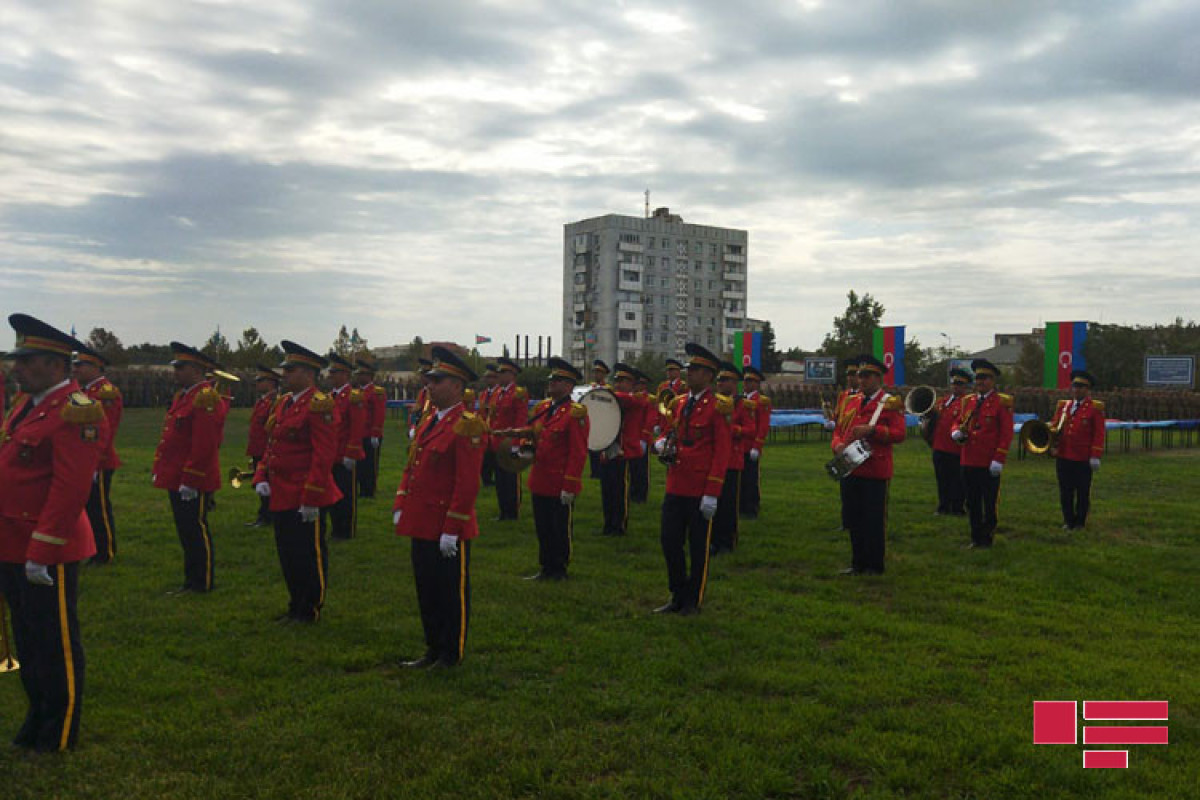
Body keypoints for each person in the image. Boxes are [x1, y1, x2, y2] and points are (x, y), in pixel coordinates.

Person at [0, 313, 106, 752]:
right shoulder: (28, 403)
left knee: (55, 641)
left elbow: (70, 488)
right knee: (27, 637)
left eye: (28, 360)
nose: (17, 367)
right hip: (11, 542)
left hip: (47, 548)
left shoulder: (76, 410)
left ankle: (59, 731)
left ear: (57, 364)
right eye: (17, 358)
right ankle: (37, 715)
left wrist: (43, 549)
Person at [393, 347, 486, 668]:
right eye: (430, 380)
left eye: (438, 380)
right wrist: (401, 501)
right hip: (421, 519)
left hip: (447, 523)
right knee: (427, 588)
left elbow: (467, 483)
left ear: (458, 386)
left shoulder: (468, 425)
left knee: (450, 591)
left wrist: (453, 527)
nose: (429, 385)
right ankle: (432, 647)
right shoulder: (430, 419)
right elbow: (412, 464)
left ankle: (450, 652)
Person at [253, 342, 341, 623]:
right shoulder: (284, 403)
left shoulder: (319, 404)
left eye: (290, 370)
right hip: (282, 490)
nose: (285, 375)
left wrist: (312, 497)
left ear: (308, 373)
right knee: (288, 552)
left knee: (308, 553)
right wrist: (262, 474)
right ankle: (295, 602)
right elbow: (272, 442)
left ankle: (309, 606)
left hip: (304, 491)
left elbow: (323, 454)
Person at [652, 343, 731, 615]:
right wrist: (662, 443)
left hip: (700, 487)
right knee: (669, 541)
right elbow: (671, 432)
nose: (690, 374)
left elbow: (722, 452)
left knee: (698, 547)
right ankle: (676, 593)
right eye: (690, 369)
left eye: (696, 370)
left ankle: (692, 599)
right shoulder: (680, 403)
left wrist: (713, 491)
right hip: (676, 483)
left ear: (709, 376)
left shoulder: (718, 407)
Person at [152, 342, 225, 593]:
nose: (176, 372)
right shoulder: (186, 396)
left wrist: (191, 478)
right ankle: (191, 579)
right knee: (186, 531)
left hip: (193, 478)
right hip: (178, 476)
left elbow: (204, 444)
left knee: (195, 530)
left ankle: (200, 582)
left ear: (196, 369)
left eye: (181, 367)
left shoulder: (205, 397)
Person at [831, 355, 906, 575]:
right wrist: (837, 445)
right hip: (850, 465)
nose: (860, 380)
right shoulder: (851, 401)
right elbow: (839, 429)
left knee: (873, 519)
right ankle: (857, 562)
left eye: (866, 376)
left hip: (875, 468)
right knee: (854, 517)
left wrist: (874, 431)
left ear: (877, 378)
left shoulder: (890, 403)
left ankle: (874, 564)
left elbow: (900, 434)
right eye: (859, 376)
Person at [524, 358, 589, 580]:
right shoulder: (543, 408)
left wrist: (570, 484)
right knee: (542, 526)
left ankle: (559, 567)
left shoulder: (576, 413)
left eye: (558, 380)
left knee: (559, 527)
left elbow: (578, 452)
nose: (552, 383)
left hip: (559, 480)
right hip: (540, 478)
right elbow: (533, 435)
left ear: (569, 386)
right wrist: (526, 449)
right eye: (552, 379)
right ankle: (545, 566)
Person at [951, 358, 1013, 549]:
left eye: (985, 378)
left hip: (988, 461)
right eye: (978, 378)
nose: (980, 382)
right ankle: (976, 536)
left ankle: (987, 536)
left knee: (989, 502)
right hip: (969, 458)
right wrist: (955, 431)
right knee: (972, 502)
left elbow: (1006, 432)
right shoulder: (968, 401)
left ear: (993, 380)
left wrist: (999, 458)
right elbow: (959, 420)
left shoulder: (1001, 402)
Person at [71, 342, 123, 564]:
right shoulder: (84, 391)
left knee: (98, 508)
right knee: (88, 507)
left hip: (99, 462)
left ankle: (105, 552)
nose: (75, 370)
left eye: (80, 366)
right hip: (85, 460)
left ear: (95, 367)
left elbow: (105, 430)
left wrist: (94, 462)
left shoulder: (105, 392)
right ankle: (93, 549)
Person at [599, 364, 651, 536]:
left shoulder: (637, 399)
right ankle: (608, 524)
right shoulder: (613, 397)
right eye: (617, 380)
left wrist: (603, 392)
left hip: (625, 450)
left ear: (633, 384)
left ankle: (619, 525)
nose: (619, 384)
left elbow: (626, 399)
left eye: (624, 381)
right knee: (607, 490)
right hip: (608, 449)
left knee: (620, 490)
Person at [1051, 369, 1106, 530]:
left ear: (1087, 389)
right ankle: (1068, 520)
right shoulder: (1064, 406)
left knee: (1082, 492)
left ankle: (1080, 522)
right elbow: (1056, 426)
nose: (1077, 389)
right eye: (1075, 386)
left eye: (1081, 387)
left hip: (1082, 457)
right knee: (1065, 491)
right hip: (1064, 454)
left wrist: (1095, 455)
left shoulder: (1094, 408)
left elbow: (1098, 433)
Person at [712, 362, 753, 555]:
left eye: (725, 380)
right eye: (719, 379)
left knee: (728, 504)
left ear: (734, 383)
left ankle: (728, 541)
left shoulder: (743, 404)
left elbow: (750, 429)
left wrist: (733, 430)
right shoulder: (713, 402)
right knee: (714, 502)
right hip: (713, 460)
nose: (720, 383)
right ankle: (713, 540)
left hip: (732, 459)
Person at [324, 353, 366, 540]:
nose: (330, 375)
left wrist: (352, 452)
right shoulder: (330, 397)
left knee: (345, 494)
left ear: (345, 374)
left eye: (334, 372)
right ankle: (336, 527)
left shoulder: (353, 396)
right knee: (332, 493)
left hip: (344, 454)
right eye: (330, 371)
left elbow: (357, 427)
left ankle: (346, 529)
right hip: (331, 453)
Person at [930, 368, 971, 516]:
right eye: (953, 383)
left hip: (956, 448)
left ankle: (957, 507)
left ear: (965, 386)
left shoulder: (967, 403)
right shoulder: (942, 401)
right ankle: (943, 506)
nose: (955, 387)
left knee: (957, 481)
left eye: (959, 384)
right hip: (939, 447)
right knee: (942, 478)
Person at [490, 357, 527, 521]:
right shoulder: (498, 393)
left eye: (503, 372)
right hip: (497, 442)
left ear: (512, 374)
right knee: (500, 480)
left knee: (511, 480)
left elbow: (521, 419)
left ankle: (513, 512)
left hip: (510, 442)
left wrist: (517, 443)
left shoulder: (518, 393)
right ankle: (503, 511)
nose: (499, 376)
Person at [244, 365, 282, 528]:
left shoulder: (275, 402)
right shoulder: (262, 401)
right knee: (262, 484)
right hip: (258, 448)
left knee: (268, 485)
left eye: (261, 380)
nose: (257, 383)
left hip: (267, 449)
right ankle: (264, 515)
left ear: (271, 383)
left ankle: (268, 516)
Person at [827, 360, 861, 531]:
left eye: (853, 375)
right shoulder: (844, 395)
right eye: (848, 375)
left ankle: (857, 522)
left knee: (858, 489)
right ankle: (846, 521)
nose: (850, 379)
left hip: (856, 446)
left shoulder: (863, 397)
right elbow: (838, 416)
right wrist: (832, 422)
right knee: (845, 487)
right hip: (842, 446)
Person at [738, 364, 769, 519]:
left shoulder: (762, 401)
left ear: (757, 383)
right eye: (745, 381)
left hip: (751, 445)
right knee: (740, 478)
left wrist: (757, 446)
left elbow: (762, 426)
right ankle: (741, 505)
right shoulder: (740, 398)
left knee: (751, 478)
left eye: (750, 381)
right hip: (739, 445)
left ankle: (751, 508)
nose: (746, 384)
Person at [353, 355, 385, 498]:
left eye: (362, 374)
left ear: (369, 376)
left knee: (370, 464)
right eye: (358, 374)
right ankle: (361, 487)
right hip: (359, 433)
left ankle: (369, 489)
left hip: (370, 434)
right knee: (360, 464)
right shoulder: (357, 392)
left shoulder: (376, 392)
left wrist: (375, 433)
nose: (359, 377)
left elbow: (379, 413)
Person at [629, 371, 654, 504]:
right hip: (631, 438)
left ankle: (641, 495)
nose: (639, 386)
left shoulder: (649, 399)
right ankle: (632, 493)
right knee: (632, 468)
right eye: (637, 383)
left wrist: (644, 438)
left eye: (642, 384)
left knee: (642, 469)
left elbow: (649, 420)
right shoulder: (631, 398)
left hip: (641, 438)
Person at [478, 363, 499, 487]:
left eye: (490, 377)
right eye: (486, 377)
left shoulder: (499, 392)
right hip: (484, 430)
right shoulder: (484, 394)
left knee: (495, 457)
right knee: (484, 457)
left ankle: (495, 479)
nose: (487, 379)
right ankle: (486, 479)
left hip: (495, 429)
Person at [408, 358, 433, 437]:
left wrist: (417, 428)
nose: (421, 377)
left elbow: (427, 412)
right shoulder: (423, 391)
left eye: (423, 375)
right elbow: (419, 407)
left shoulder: (432, 392)